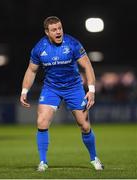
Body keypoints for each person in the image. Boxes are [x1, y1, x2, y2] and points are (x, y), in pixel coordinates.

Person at [20, 16, 104, 172]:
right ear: (47, 32)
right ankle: (43, 162)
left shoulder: (72, 43)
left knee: (84, 126)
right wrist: (24, 91)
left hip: (74, 88)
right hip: (51, 88)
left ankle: (94, 158)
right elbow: (31, 70)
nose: (58, 32)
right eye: (54, 30)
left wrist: (91, 90)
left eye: (60, 28)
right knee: (42, 122)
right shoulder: (39, 48)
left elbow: (87, 66)